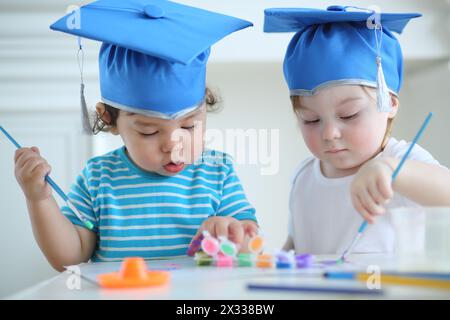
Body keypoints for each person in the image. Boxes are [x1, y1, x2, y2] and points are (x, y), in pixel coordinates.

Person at [14, 0, 257, 271]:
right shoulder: (97, 179)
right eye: (149, 131)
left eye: (189, 127)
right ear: (109, 119)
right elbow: (69, 258)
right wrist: (39, 199)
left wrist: (232, 234)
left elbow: (251, 243)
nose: (174, 145)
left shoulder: (217, 172)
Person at [264, 5, 450, 254]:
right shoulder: (304, 176)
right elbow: (297, 244)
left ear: (390, 103)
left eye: (348, 115)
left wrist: (392, 170)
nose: (329, 133)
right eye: (310, 119)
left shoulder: (400, 161)